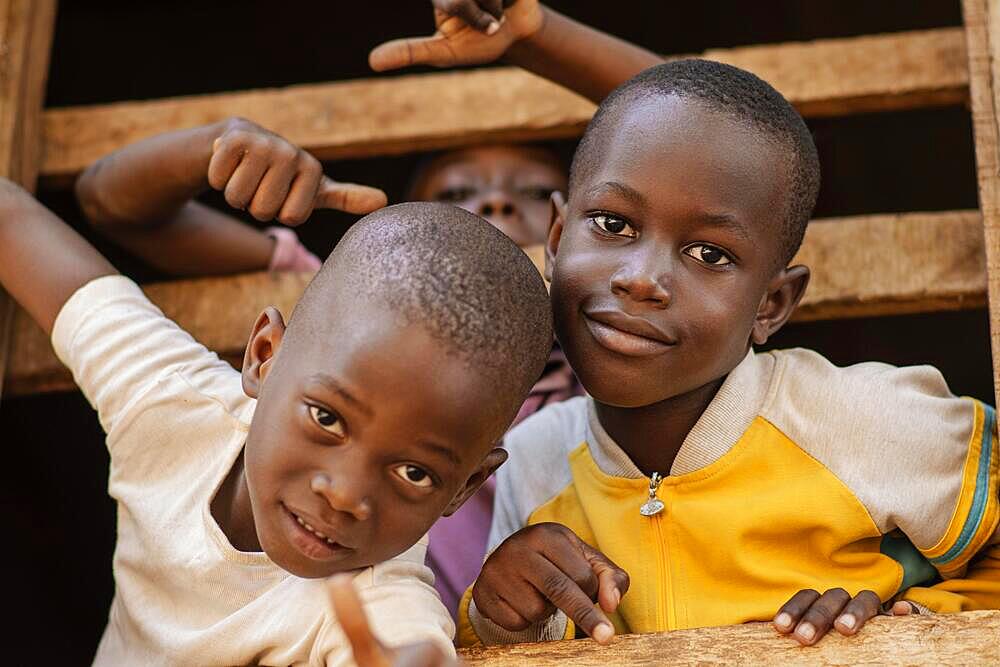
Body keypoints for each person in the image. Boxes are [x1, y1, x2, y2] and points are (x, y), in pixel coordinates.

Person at [372, 0, 1000, 648]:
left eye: (710, 254)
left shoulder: (859, 420)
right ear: (556, 240)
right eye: (614, 225)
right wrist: (499, 611)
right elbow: (523, 641)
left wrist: (925, 621)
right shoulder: (534, 462)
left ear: (772, 305)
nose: (642, 278)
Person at [0, 140, 553, 663]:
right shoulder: (172, 403)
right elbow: (14, 220)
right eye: (326, 417)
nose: (343, 495)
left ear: (465, 487)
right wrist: (216, 143)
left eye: (414, 472)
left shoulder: (378, 600)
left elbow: (405, 648)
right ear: (264, 355)